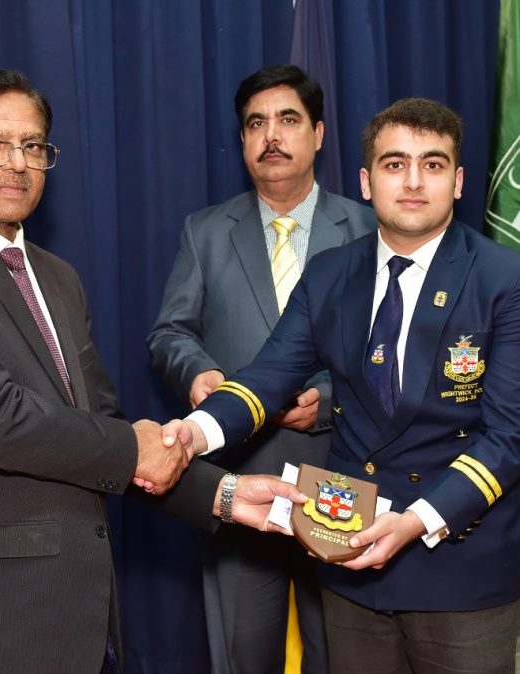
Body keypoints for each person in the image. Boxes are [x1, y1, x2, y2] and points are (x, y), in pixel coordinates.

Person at [0, 68, 307, 674]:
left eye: (33, 145)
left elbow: (102, 422)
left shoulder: (58, 278)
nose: (16, 163)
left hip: (84, 610)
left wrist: (224, 494)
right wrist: (136, 450)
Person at [165, 97, 520, 673]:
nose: (413, 181)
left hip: (460, 564)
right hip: (350, 556)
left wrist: (417, 520)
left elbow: (508, 437)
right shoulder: (331, 273)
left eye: (432, 165)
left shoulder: (504, 279)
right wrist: (193, 435)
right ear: (365, 181)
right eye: (394, 163)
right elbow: (266, 378)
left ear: (457, 183)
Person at [148, 64, 376, 674]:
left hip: (341, 478)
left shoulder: (367, 229)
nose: (271, 135)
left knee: (346, 653)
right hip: (239, 478)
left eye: (288, 120)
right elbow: (169, 332)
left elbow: (396, 351)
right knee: (243, 654)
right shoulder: (205, 232)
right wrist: (196, 373)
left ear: (318, 134)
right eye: (256, 123)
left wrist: (328, 398)